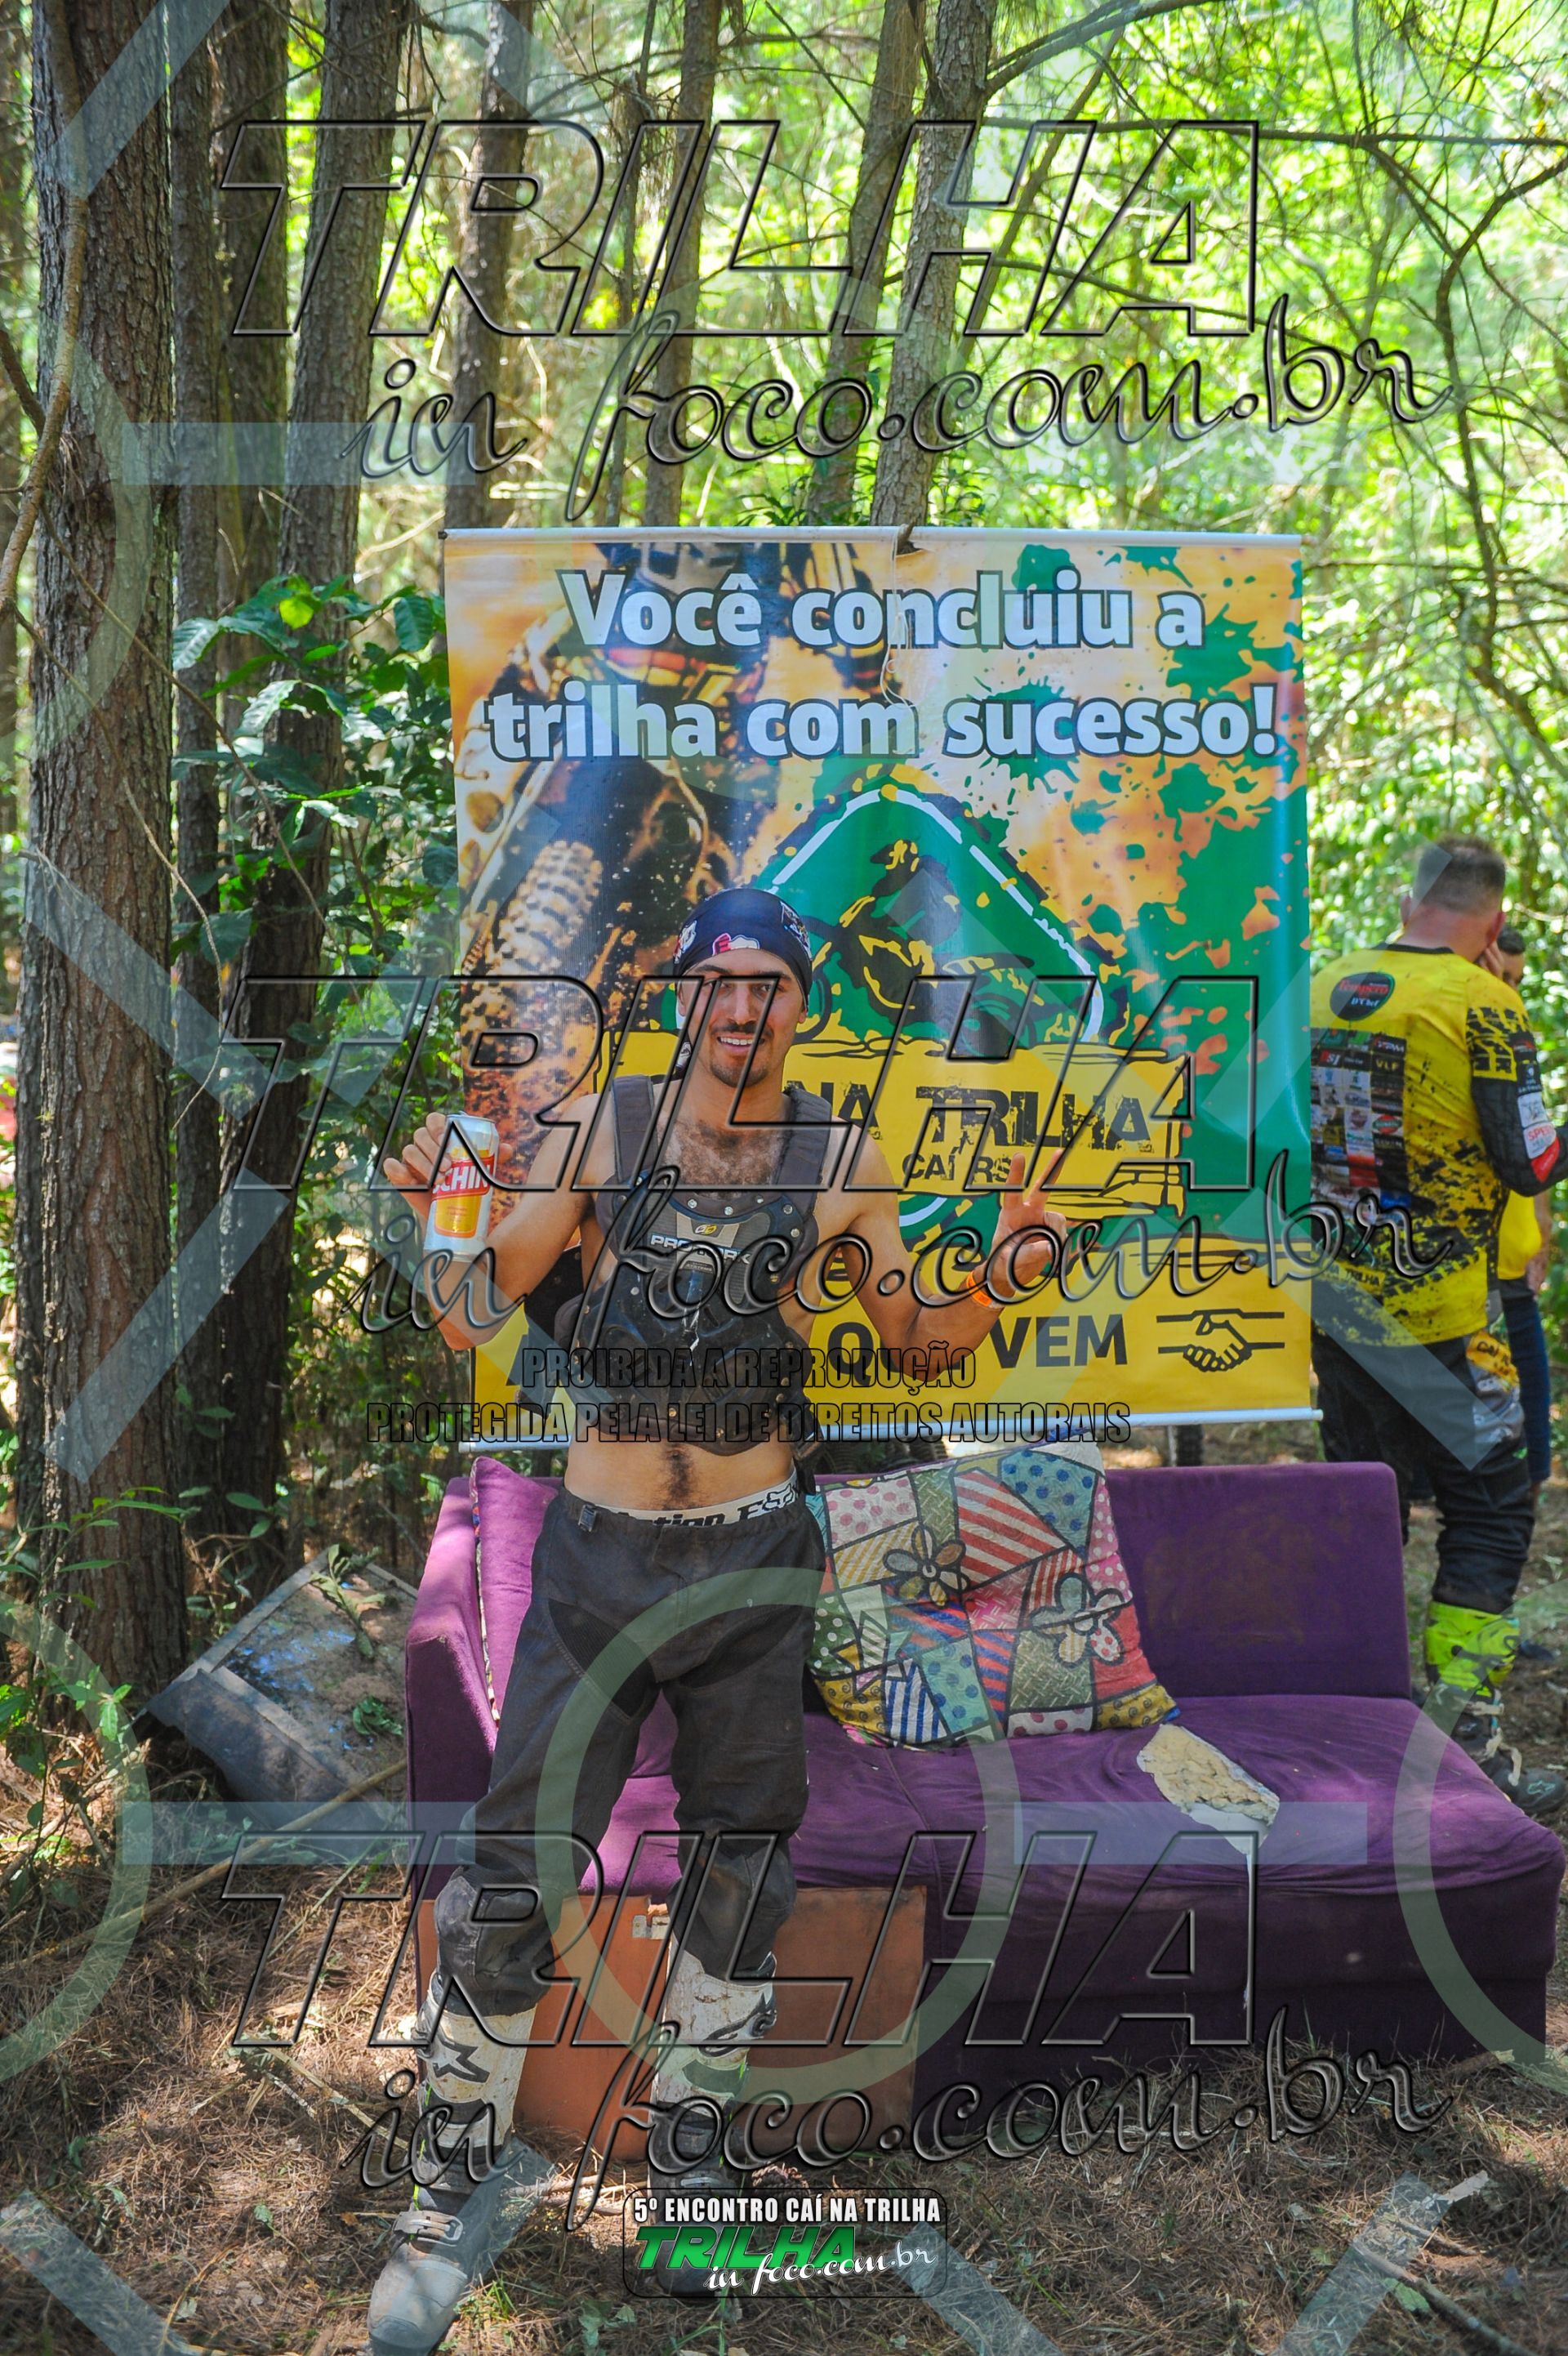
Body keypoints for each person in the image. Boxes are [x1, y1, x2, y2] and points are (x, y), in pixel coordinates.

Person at [371, 886, 1067, 2343]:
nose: (744, 1007)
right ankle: (445, 2192)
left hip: (754, 1565)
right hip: (598, 1565)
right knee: (513, 1878)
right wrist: (440, 1206)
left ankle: (691, 2173)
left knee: (742, 1874)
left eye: (772, 984)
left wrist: (1012, 1267)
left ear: (804, 1003)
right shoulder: (601, 1131)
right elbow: (470, 1308)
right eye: (720, 982)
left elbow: (917, 1343)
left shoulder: (842, 1158)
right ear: (683, 996)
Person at [1309, 837, 1566, 1821]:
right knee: (1492, 1512)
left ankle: (1356, 1742)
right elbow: (1528, 1163)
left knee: (1365, 1508)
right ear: (1493, 920)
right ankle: (1467, 1748)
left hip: (1338, 1307)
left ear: (1407, 900)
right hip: (1444, 1316)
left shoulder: (1322, 983)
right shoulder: (1482, 1002)